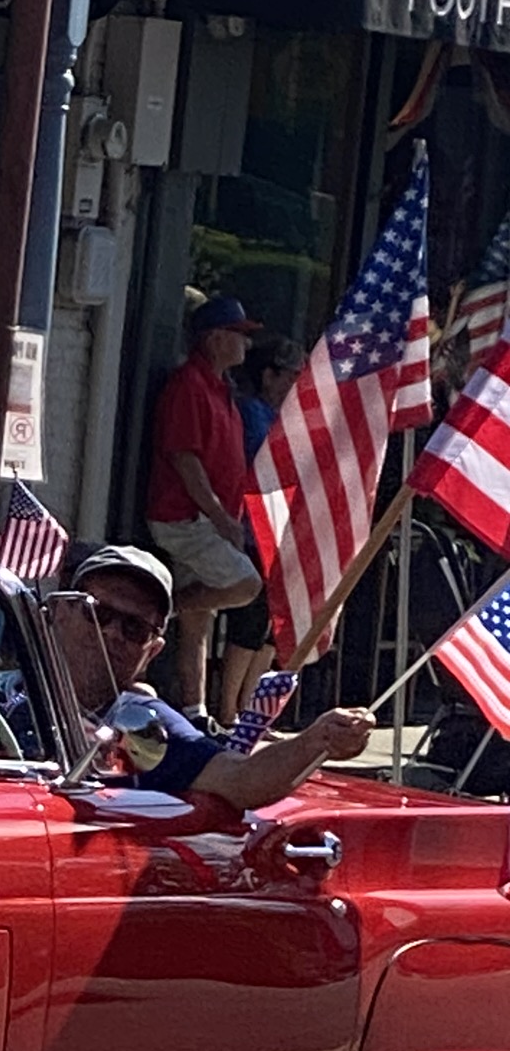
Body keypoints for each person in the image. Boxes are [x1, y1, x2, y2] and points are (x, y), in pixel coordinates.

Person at [55, 544, 374, 808]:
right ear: (59, 612)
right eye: (97, 612)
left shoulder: (139, 723)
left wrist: (318, 740)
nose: (111, 633)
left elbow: (240, 779)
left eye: (134, 628)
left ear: (152, 651)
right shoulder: (6, 695)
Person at [145, 294, 266, 724]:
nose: (246, 345)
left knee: (201, 620)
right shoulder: (188, 386)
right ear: (215, 338)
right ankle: (160, 608)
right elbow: (184, 458)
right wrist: (221, 517)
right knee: (247, 585)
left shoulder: (222, 390)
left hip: (207, 521)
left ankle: (194, 712)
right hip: (183, 518)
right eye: (238, 335)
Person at [218, 334, 304, 726]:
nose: (295, 385)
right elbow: (258, 467)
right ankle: (228, 708)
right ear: (269, 376)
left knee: (273, 627)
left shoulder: (288, 419)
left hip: (284, 533)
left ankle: (253, 710)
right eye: (289, 376)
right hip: (255, 530)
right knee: (248, 622)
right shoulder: (251, 413)